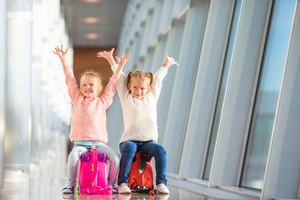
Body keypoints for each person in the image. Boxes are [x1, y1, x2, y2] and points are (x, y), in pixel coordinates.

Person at [97, 49, 178, 194]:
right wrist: (111, 60)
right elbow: (120, 77)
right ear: (129, 87)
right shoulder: (126, 97)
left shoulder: (151, 97)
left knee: (160, 151)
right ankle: (122, 183)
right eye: (134, 87)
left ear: (148, 89)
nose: (138, 91)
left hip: (149, 142)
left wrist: (166, 65)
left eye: (142, 88)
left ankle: (161, 183)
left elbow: (158, 79)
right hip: (129, 140)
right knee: (129, 149)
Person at [53, 45, 129, 194]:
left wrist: (120, 67)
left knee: (114, 158)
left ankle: (109, 183)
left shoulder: (102, 101)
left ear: (99, 88)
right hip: (80, 144)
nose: (87, 87)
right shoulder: (77, 98)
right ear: (80, 88)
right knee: (73, 157)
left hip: (99, 144)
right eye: (84, 85)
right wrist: (63, 60)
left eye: (91, 85)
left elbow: (113, 84)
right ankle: (71, 184)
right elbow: (70, 79)